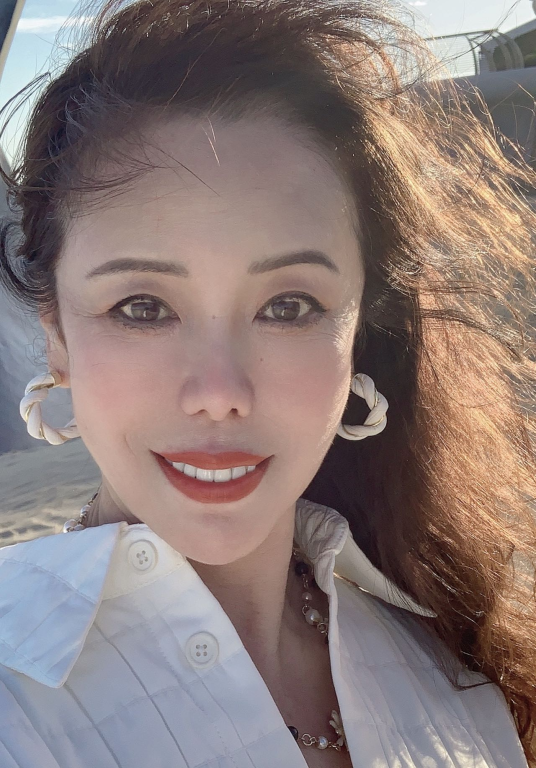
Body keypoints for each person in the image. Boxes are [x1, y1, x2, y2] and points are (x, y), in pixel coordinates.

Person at [0, 0, 535, 765]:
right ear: (56, 335)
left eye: (289, 307)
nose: (219, 391)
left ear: (359, 330)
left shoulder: (451, 658)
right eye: (142, 307)